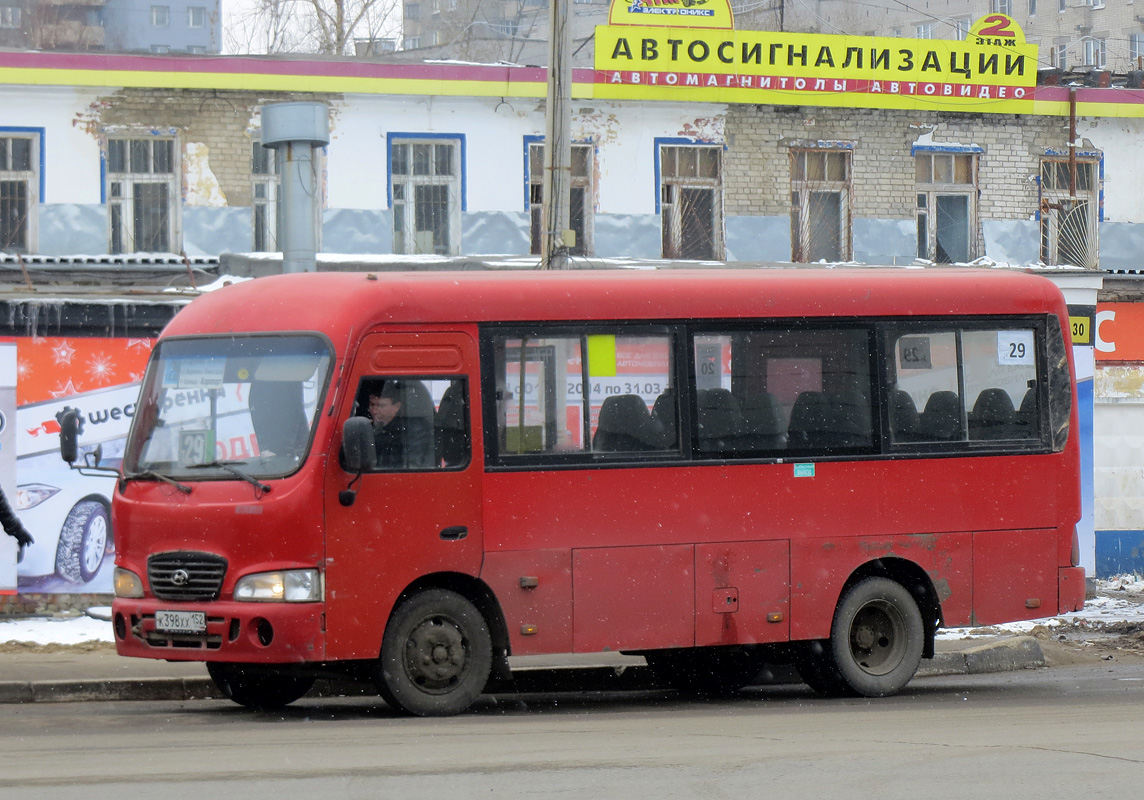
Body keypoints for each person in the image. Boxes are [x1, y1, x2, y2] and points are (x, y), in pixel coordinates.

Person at [368, 381, 433, 469]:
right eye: (372, 404)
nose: (374, 410)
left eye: (381, 406)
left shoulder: (412, 433)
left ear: (396, 407)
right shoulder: (371, 428)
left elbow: (411, 467)